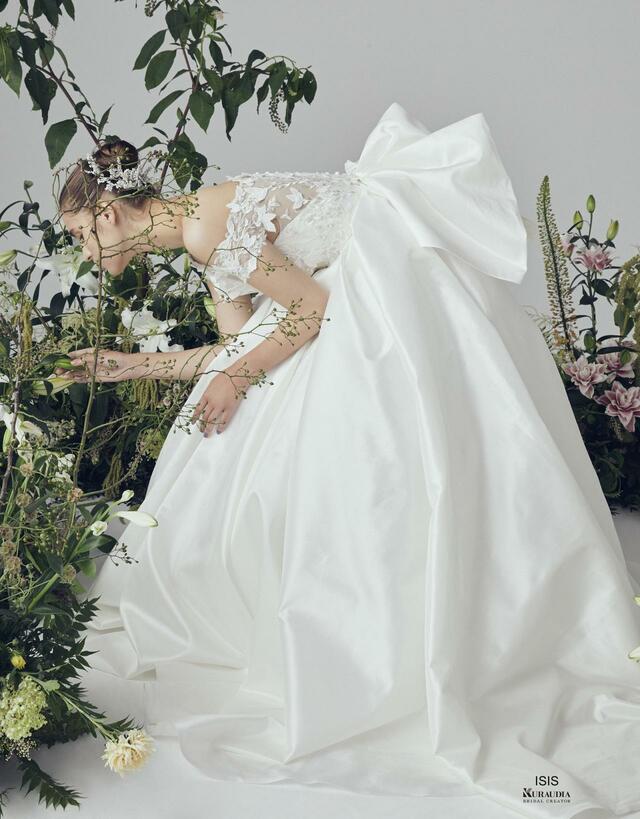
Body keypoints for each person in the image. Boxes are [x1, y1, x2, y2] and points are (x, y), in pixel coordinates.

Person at [59, 102, 640, 818]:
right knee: (252, 435)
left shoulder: (207, 225)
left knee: (374, 456)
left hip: (381, 297)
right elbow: (239, 348)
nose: (85, 253)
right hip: (346, 298)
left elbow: (309, 311)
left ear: (110, 213)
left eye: (81, 235)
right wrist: (126, 366)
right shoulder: (199, 234)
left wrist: (235, 379)